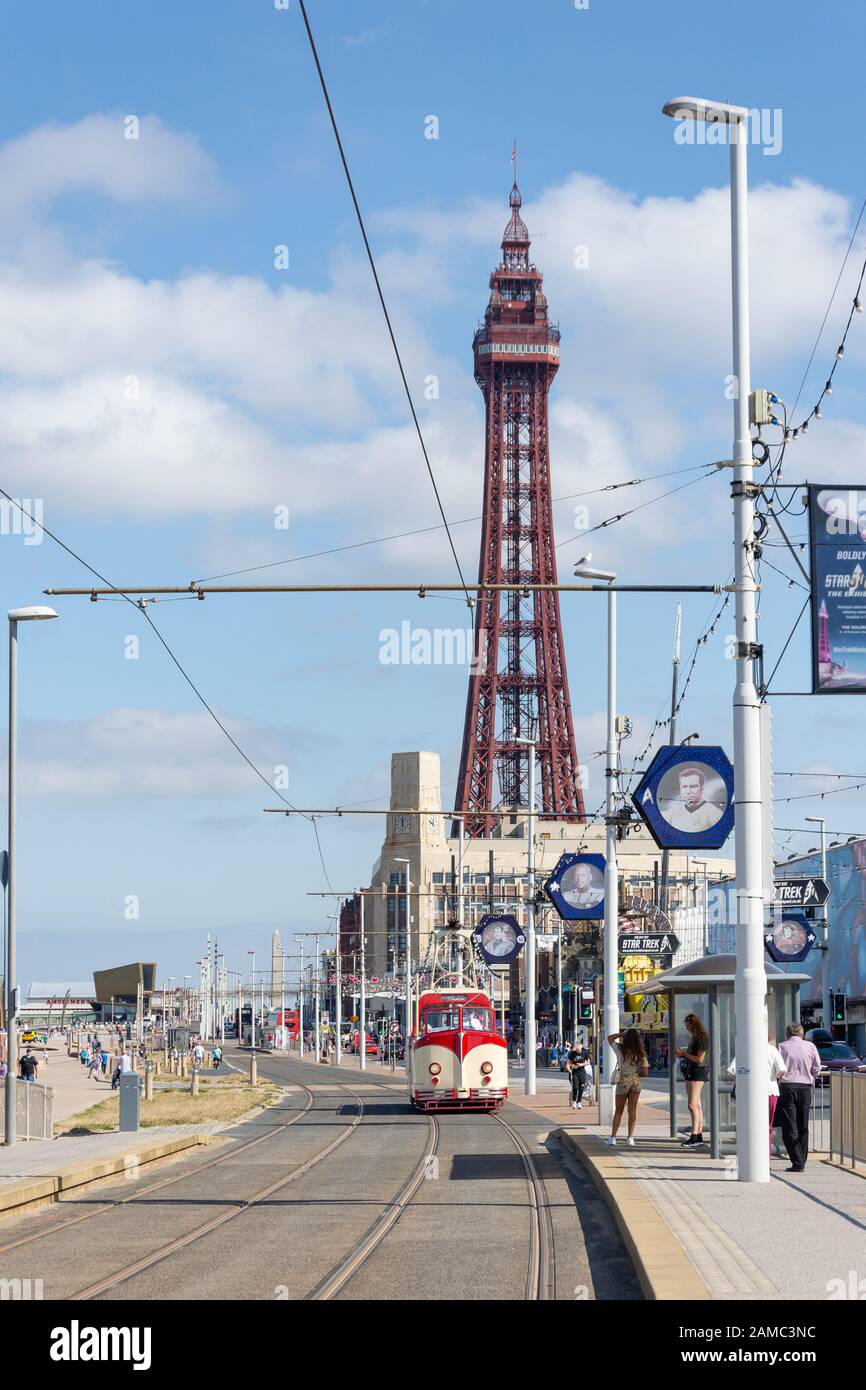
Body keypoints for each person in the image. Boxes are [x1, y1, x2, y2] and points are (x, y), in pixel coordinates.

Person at [727, 1037, 787, 1154]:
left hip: (750, 1093)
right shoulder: (772, 1050)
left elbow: (732, 1070)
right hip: (770, 1091)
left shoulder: (744, 1050)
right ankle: (766, 1158)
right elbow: (782, 1071)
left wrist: (744, 1077)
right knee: (767, 1128)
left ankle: (751, 1155)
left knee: (751, 1126)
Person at [777, 1023, 822, 1172]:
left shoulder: (781, 1047)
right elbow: (817, 1068)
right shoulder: (810, 1046)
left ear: (787, 1034)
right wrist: (811, 1075)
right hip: (805, 1087)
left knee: (790, 1126)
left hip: (787, 1087)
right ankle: (801, 1160)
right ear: (802, 1035)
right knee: (803, 1125)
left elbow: (777, 1068)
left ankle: (797, 1162)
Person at [604, 1028, 648, 1144]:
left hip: (623, 1081)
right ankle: (630, 1138)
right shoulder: (640, 1053)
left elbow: (609, 1038)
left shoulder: (619, 1049)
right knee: (632, 1111)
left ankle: (613, 1138)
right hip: (635, 1082)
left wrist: (621, 1034)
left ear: (625, 1038)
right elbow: (645, 1073)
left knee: (618, 1111)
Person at [676, 1013, 709, 1145]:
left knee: (692, 1105)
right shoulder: (695, 1038)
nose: (686, 1027)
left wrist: (684, 1054)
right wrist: (683, 1055)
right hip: (691, 1071)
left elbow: (700, 1059)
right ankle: (698, 1135)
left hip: (698, 1072)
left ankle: (694, 1135)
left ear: (693, 1024)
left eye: (687, 1025)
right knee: (697, 1105)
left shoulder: (702, 1038)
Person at [661, 765, 724, 834]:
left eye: (693, 786)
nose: (688, 791)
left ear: (702, 787)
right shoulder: (671, 813)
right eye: (684, 787)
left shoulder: (715, 814)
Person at [566, 1040, 591, 1110]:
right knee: (575, 1087)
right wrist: (573, 1066)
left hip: (582, 1072)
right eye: (576, 1047)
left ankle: (579, 1102)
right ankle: (574, 1102)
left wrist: (581, 1064)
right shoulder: (572, 1054)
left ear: (581, 1046)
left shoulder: (585, 1053)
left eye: (578, 1047)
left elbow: (588, 1062)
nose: (577, 1048)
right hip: (575, 1073)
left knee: (581, 1087)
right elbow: (568, 1063)